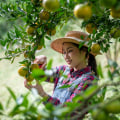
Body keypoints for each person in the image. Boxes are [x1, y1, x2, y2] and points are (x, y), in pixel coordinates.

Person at [24, 31, 101, 119]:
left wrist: (42, 94)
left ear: (85, 53)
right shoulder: (63, 71)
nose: (66, 56)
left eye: (70, 51)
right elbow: (40, 75)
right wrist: (39, 63)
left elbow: (68, 112)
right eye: (64, 52)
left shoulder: (89, 81)